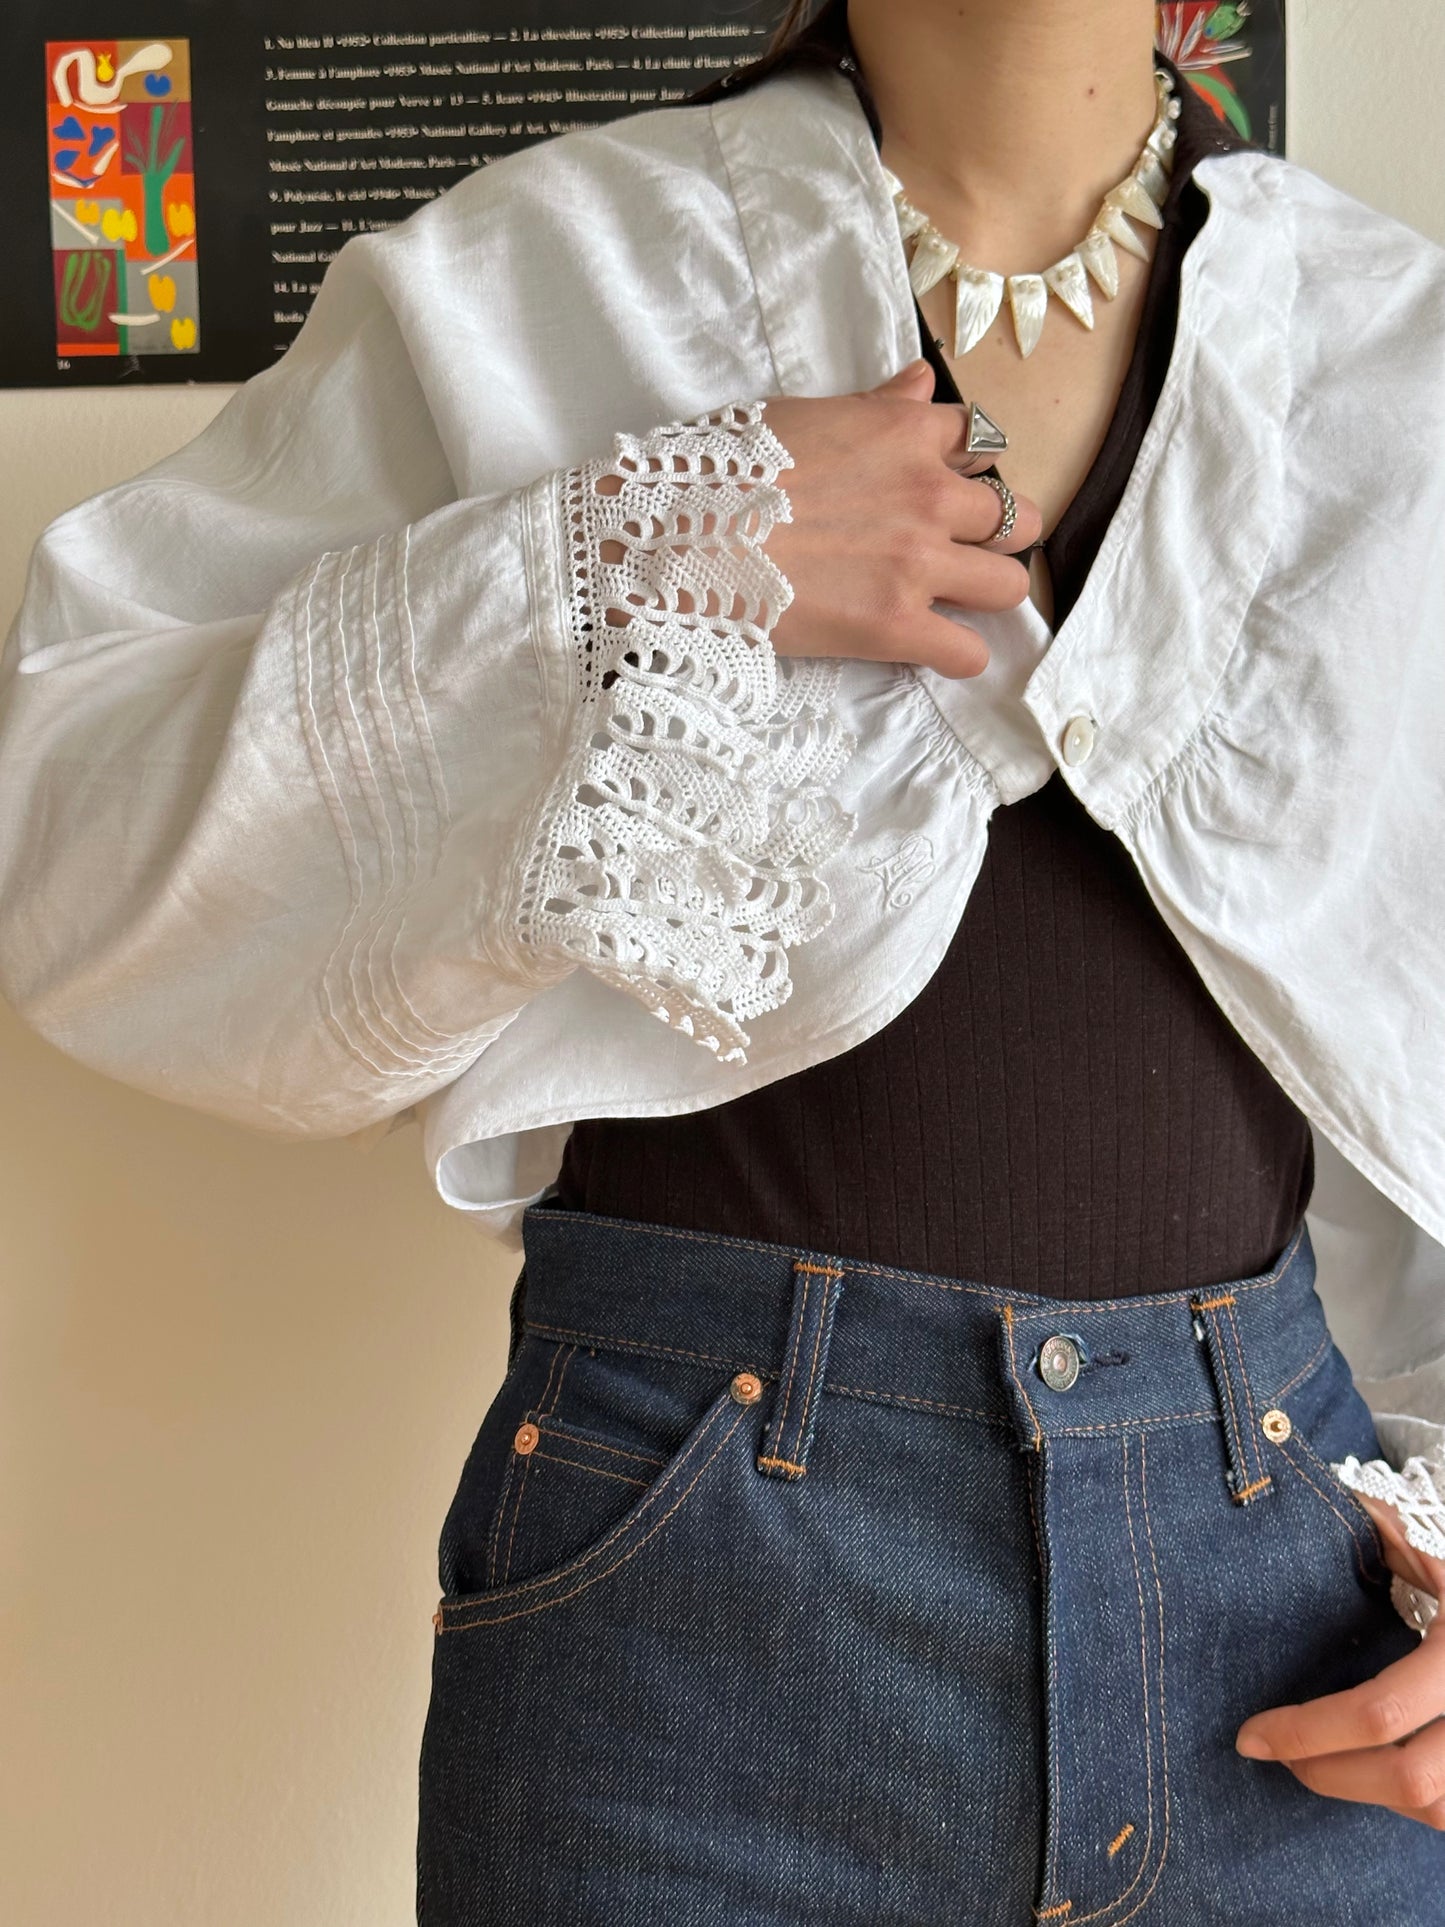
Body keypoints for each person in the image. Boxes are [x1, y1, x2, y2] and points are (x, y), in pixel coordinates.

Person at [2, 0, 1444, 1917]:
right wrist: (614, 566)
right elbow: (79, 839)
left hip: (1298, 1624)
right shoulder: (546, 280)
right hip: (691, 1598)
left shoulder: (1390, 355)